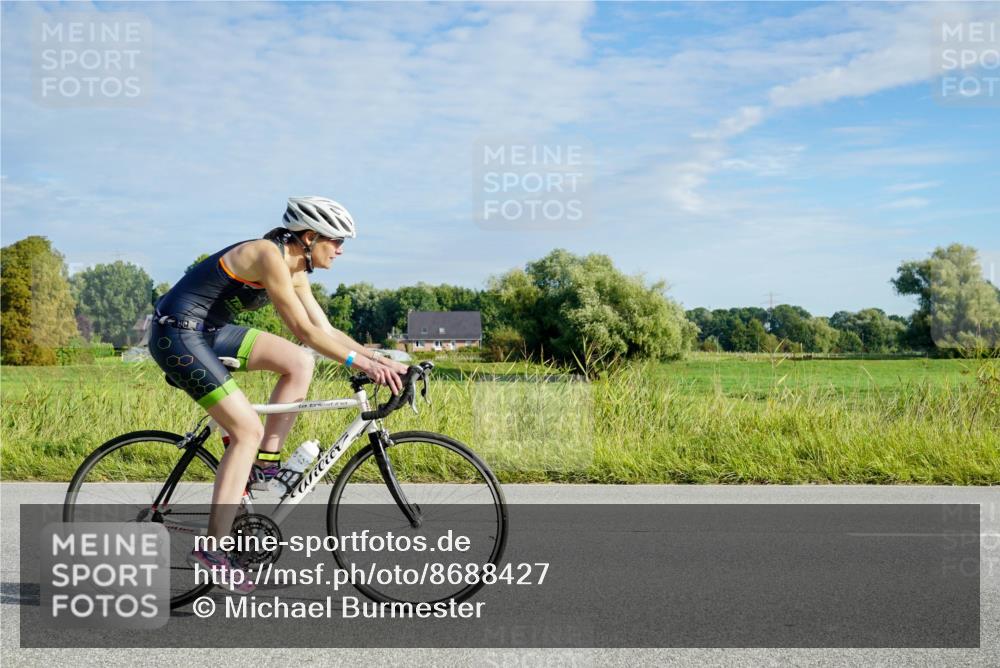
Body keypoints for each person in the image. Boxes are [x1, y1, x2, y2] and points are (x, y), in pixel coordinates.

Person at [150, 196, 406, 593]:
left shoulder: (297, 270)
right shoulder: (268, 255)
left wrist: (382, 361)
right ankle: (212, 551)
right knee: (247, 430)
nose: (340, 250)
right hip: (177, 334)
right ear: (309, 236)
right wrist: (364, 365)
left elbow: (325, 331)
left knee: (300, 362)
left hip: (209, 333)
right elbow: (304, 332)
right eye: (336, 241)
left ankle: (264, 466)